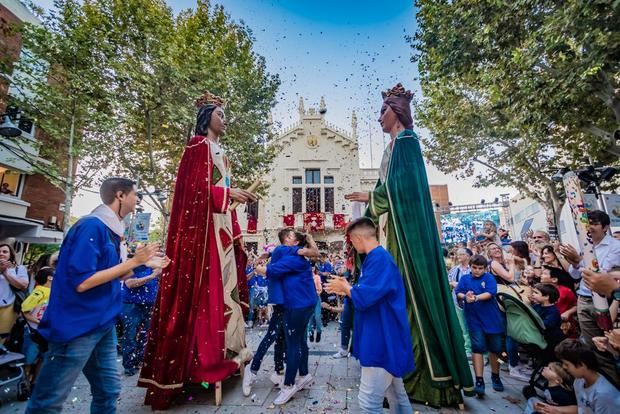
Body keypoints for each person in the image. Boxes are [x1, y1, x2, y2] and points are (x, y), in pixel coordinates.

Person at [345, 83, 472, 406]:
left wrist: (370, 196)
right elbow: (385, 191)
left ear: (398, 112)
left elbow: (403, 190)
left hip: (404, 234)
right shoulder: (391, 148)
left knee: (409, 298)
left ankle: (427, 375)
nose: (379, 118)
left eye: (383, 111)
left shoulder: (407, 142)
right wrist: (371, 201)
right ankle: (399, 373)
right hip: (390, 229)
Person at [138, 91, 257, 410]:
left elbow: (220, 196)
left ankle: (224, 353)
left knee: (224, 298)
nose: (225, 118)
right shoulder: (197, 147)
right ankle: (199, 362)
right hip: (202, 239)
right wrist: (228, 193)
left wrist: (234, 222)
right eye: (220, 113)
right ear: (207, 118)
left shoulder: (221, 152)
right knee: (205, 299)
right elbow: (192, 192)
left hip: (220, 235)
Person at [25, 177, 165, 414]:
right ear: (120, 195)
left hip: (103, 324)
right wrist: (134, 261)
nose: (138, 199)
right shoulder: (91, 226)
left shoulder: (112, 232)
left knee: (108, 391)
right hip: (77, 327)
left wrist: (147, 263)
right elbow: (82, 282)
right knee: (48, 401)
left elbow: (116, 274)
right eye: (135, 194)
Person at [326, 217, 415, 414]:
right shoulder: (376, 259)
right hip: (384, 335)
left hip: (381, 339)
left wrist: (347, 287)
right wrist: (348, 288)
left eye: (351, 241)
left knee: (368, 402)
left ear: (357, 239)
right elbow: (373, 292)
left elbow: (366, 297)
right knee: (396, 397)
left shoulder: (380, 259)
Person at [242, 228, 319, 397]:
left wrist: (262, 260)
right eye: (292, 235)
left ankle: (280, 372)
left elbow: (313, 252)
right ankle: (253, 370)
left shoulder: (285, 251)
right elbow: (313, 252)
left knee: (285, 339)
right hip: (283, 302)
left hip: (288, 302)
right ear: (289, 240)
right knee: (277, 336)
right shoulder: (284, 250)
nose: (294, 237)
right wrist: (260, 263)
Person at [559, 210, 620, 384]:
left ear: (606, 227)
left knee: (609, 349)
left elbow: (602, 274)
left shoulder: (615, 247)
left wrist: (579, 260)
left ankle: (613, 389)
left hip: (605, 301)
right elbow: (575, 275)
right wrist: (575, 262)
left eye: (594, 223)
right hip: (584, 299)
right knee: (593, 348)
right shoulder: (584, 244)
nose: (589, 227)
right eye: (587, 223)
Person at [455, 254, 505, 397]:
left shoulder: (489, 278)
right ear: (470, 267)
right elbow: (458, 292)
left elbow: (490, 293)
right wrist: (465, 296)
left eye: (480, 268)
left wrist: (475, 297)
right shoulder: (465, 279)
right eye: (474, 267)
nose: (477, 270)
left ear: (485, 268)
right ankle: (479, 381)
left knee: (495, 349)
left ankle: (496, 376)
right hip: (474, 319)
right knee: (477, 348)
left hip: (492, 319)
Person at [535, 339, 620, 413]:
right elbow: (581, 409)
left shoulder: (604, 395)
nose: (564, 367)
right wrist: (554, 410)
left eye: (566, 364)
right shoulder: (578, 382)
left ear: (581, 365)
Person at [120, 262, 161, 376]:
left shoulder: (155, 265)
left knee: (146, 336)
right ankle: (129, 365)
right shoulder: (132, 265)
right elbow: (130, 283)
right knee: (130, 335)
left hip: (150, 305)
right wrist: (152, 276)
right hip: (132, 305)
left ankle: (140, 361)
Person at [21, 266, 54, 386]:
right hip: (33, 333)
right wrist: (39, 322)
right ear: (50, 277)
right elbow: (24, 311)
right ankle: (24, 383)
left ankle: (35, 383)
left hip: (46, 333)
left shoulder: (53, 293)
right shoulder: (38, 292)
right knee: (29, 359)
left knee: (43, 358)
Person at [0, 243, 28, 344]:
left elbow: (22, 285)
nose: (1, 254)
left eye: (5, 251)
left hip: (8, 307)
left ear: (10, 254)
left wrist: (5, 272)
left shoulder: (19, 269)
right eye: (0, 251)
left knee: (2, 335)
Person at [448, 248, 473, 358]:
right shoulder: (454, 270)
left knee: (473, 326)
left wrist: (457, 284)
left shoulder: (473, 268)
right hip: (458, 302)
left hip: (473, 302)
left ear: (467, 256)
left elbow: (472, 284)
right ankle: (468, 349)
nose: (458, 256)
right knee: (463, 327)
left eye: (461, 254)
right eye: (457, 255)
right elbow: (449, 282)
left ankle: (480, 352)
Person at [540, 267, 577, 338]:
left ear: (554, 279)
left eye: (544, 274)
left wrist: (568, 312)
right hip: (546, 323)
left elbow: (576, 305)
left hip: (563, 325)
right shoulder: (540, 290)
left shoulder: (566, 291)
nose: (541, 275)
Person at [529, 283, 565, 351]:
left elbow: (545, 325)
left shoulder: (553, 311)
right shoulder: (536, 306)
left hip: (551, 341)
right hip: (540, 338)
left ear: (546, 297)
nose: (533, 294)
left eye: (536, 293)